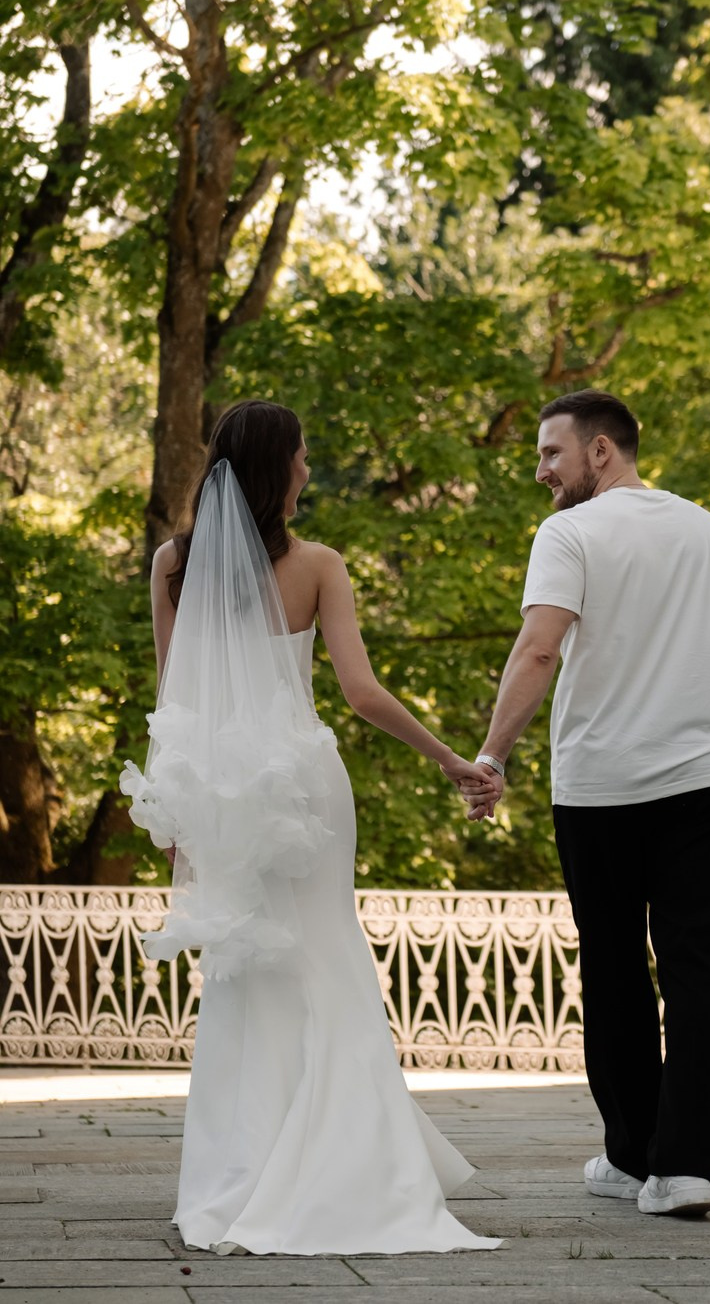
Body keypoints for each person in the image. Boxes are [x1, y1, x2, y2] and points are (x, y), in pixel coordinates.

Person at [120, 399, 502, 1256]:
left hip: (221, 791)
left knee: (246, 973)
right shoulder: (320, 564)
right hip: (302, 786)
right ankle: (349, 1158)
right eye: (300, 455)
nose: (306, 469)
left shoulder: (172, 566)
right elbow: (361, 694)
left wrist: (179, 814)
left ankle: (243, 1170)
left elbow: (175, 695)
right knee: (326, 954)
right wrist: (449, 760)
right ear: (276, 467)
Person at [467, 389, 710, 1219]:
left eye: (550, 454)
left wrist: (492, 754)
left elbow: (538, 649)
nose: (540, 472)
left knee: (613, 970)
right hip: (704, 788)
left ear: (601, 452)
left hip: (600, 790)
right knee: (699, 977)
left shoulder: (568, 534)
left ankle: (632, 1156)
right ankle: (684, 1170)